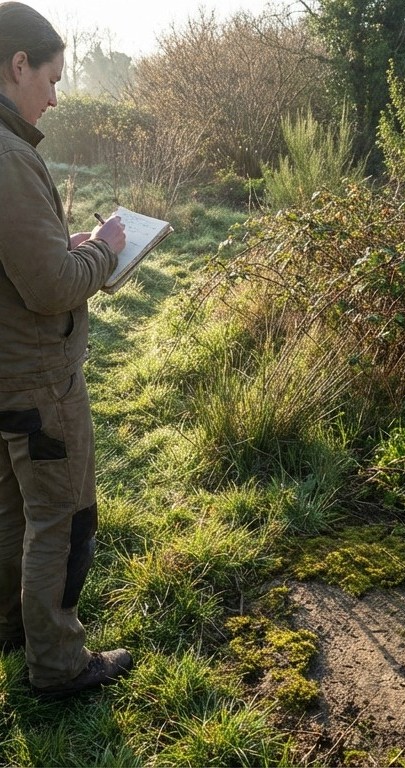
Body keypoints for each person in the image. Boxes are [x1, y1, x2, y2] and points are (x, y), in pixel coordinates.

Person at [0, 1, 131, 699]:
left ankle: (15, 631)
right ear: (18, 65)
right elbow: (50, 286)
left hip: (5, 376)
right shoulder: (10, 155)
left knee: (13, 509)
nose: (54, 95)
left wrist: (69, 247)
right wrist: (104, 255)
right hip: (36, 378)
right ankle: (57, 663)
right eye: (50, 78)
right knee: (64, 514)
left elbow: (23, 260)